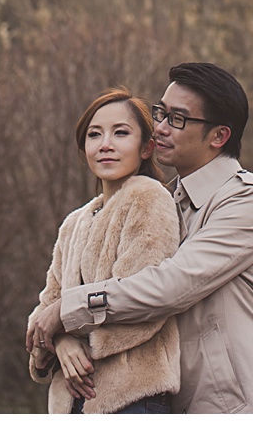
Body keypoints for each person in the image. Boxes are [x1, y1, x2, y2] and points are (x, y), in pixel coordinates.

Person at [28, 62, 253, 414]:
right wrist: (60, 336)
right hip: (166, 401)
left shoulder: (245, 202)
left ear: (218, 136)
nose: (160, 128)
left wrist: (69, 310)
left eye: (177, 119)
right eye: (160, 113)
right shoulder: (161, 201)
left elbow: (170, 287)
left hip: (231, 404)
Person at [27, 88, 181, 414]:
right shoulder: (74, 223)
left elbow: (142, 300)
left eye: (121, 133)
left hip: (133, 397)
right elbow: (43, 313)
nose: (106, 144)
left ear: (146, 148)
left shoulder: (149, 198)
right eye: (94, 135)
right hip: (72, 402)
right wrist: (60, 342)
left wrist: (71, 333)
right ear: (84, 149)